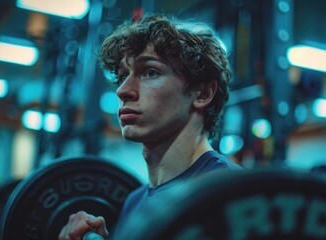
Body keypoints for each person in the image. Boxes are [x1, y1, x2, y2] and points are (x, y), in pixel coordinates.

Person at [58, 13, 242, 240]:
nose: (123, 90)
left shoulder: (232, 197)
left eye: (150, 72)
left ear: (202, 93)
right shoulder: (134, 201)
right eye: (123, 75)